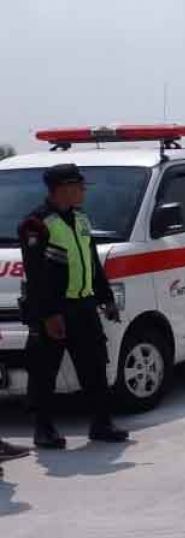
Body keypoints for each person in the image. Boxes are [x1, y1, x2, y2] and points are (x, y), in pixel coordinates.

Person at [17, 163, 129, 449]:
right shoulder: (36, 224)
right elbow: (36, 274)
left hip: (83, 305)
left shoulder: (80, 219)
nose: (83, 192)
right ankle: (43, 429)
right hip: (54, 309)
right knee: (44, 372)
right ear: (62, 189)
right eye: (79, 187)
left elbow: (92, 263)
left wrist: (105, 299)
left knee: (94, 366)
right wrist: (49, 315)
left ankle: (101, 423)